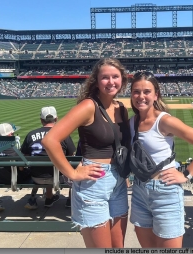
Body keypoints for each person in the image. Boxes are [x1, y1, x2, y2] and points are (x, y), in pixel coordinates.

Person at [42, 58, 130, 248]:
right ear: (96, 81)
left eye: (115, 76)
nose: (111, 81)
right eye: (105, 77)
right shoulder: (88, 106)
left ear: (122, 79)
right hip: (94, 183)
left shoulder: (121, 108)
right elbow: (50, 140)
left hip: (119, 182)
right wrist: (72, 173)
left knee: (118, 246)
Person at [128, 71, 193, 248]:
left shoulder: (164, 121)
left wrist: (186, 174)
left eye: (146, 91)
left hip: (164, 191)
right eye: (136, 91)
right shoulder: (131, 122)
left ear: (156, 94)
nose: (141, 96)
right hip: (139, 190)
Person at [20, 106, 76, 209]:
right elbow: (71, 155)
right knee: (72, 168)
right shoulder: (63, 134)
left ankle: (49, 198)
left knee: (45, 166)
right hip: (57, 178)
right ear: (56, 119)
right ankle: (70, 200)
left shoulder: (30, 135)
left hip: (36, 177)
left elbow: (25, 155)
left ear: (41, 120)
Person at [0, 123, 31, 212]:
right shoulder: (13, 150)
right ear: (10, 135)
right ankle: (33, 200)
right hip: (14, 180)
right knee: (34, 172)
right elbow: (22, 167)